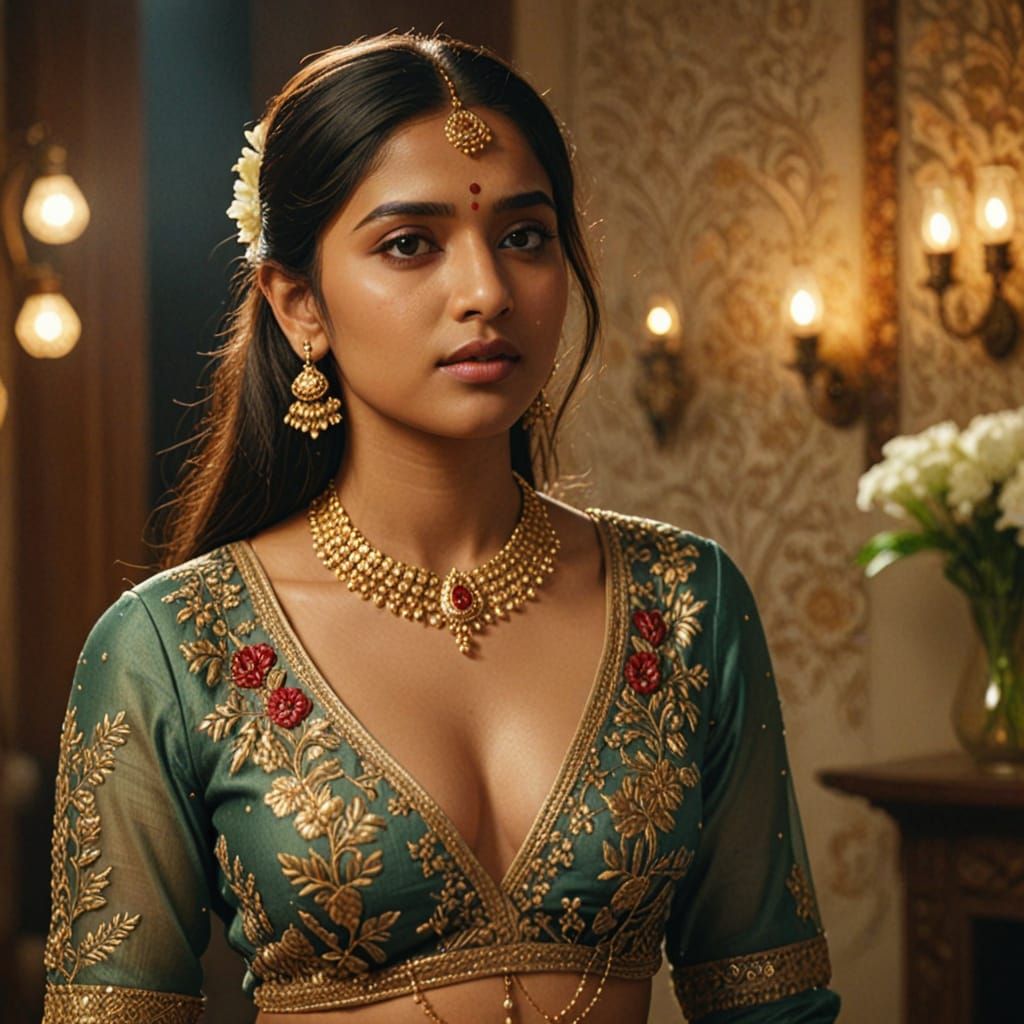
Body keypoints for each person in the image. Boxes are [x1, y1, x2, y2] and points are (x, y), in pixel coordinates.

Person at [42, 32, 840, 1024]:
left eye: (525, 236)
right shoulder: (175, 645)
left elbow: (772, 1003)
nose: (487, 292)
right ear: (299, 304)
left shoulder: (683, 603)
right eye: (410, 244)